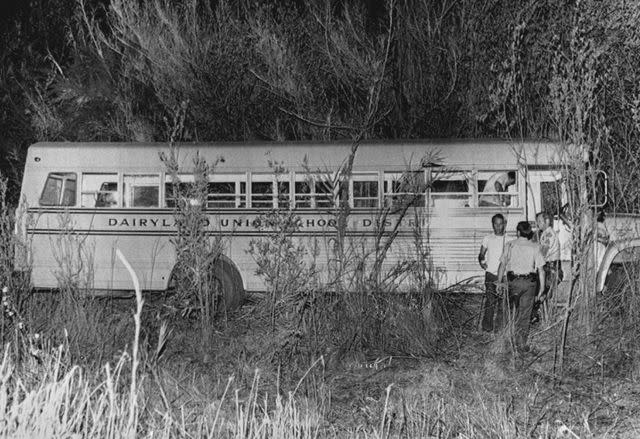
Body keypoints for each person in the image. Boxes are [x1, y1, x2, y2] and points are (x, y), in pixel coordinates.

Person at [497, 221, 546, 354]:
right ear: (529, 232)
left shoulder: (510, 245)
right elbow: (541, 270)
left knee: (511, 311)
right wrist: (541, 289)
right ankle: (521, 344)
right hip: (529, 284)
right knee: (525, 314)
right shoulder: (535, 247)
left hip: (513, 283)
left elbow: (502, 265)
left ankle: (507, 340)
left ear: (518, 232)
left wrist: (499, 282)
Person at [478, 213, 511, 332]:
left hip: (505, 276)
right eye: (495, 224)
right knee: (490, 301)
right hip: (491, 274)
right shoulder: (487, 238)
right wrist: (481, 261)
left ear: (504, 225)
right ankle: (487, 327)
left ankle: (500, 328)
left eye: (500, 224)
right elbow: (481, 254)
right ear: (492, 225)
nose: (498, 227)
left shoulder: (510, 239)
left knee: (503, 303)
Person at [530, 212, 563, 324]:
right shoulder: (545, 233)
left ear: (547, 221)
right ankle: (543, 319)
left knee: (541, 293)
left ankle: (541, 319)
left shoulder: (548, 234)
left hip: (551, 269)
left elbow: (543, 253)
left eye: (539, 221)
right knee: (543, 295)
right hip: (550, 268)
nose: (538, 224)